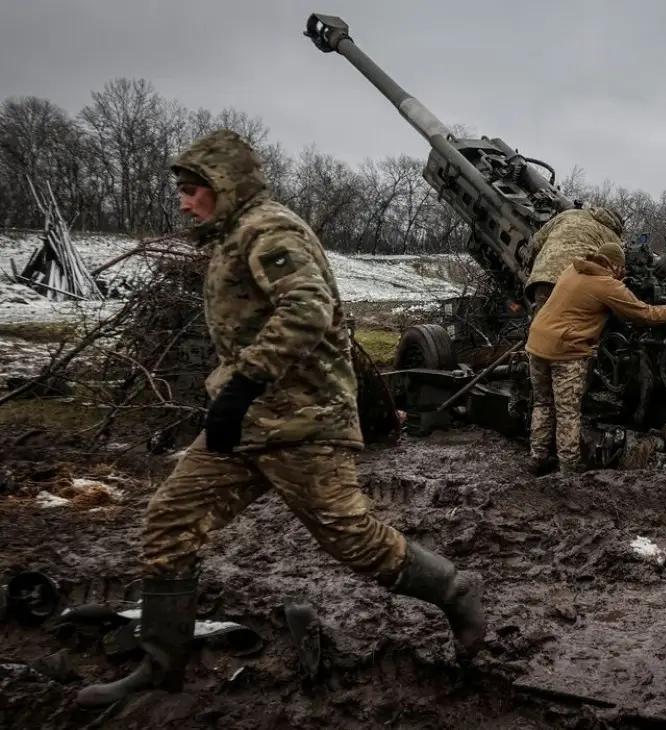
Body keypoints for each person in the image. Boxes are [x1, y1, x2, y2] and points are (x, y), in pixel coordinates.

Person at [76, 130, 485, 707]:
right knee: (169, 520)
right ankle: (160, 668)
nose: (184, 201)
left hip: (303, 422)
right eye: (183, 190)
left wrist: (242, 384)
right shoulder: (229, 236)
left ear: (224, 187)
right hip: (246, 422)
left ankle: (455, 590)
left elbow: (308, 307)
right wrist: (235, 399)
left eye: (193, 190)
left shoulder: (269, 230)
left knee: (353, 539)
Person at [525, 242, 666, 475]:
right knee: (568, 411)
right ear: (614, 264)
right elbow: (645, 314)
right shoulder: (606, 285)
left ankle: (537, 459)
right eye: (621, 267)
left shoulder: (573, 269)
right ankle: (568, 468)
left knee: (543, 404)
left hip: (537, 343)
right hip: (565, 350)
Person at [525, 206, 624, 307]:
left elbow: (536, 242)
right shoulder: (615, 239)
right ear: (618, 225)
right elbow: (615, 271)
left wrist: (532, 265)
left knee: (542, 318)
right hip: (575, 285)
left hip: (544, 277)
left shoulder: (571, 213)